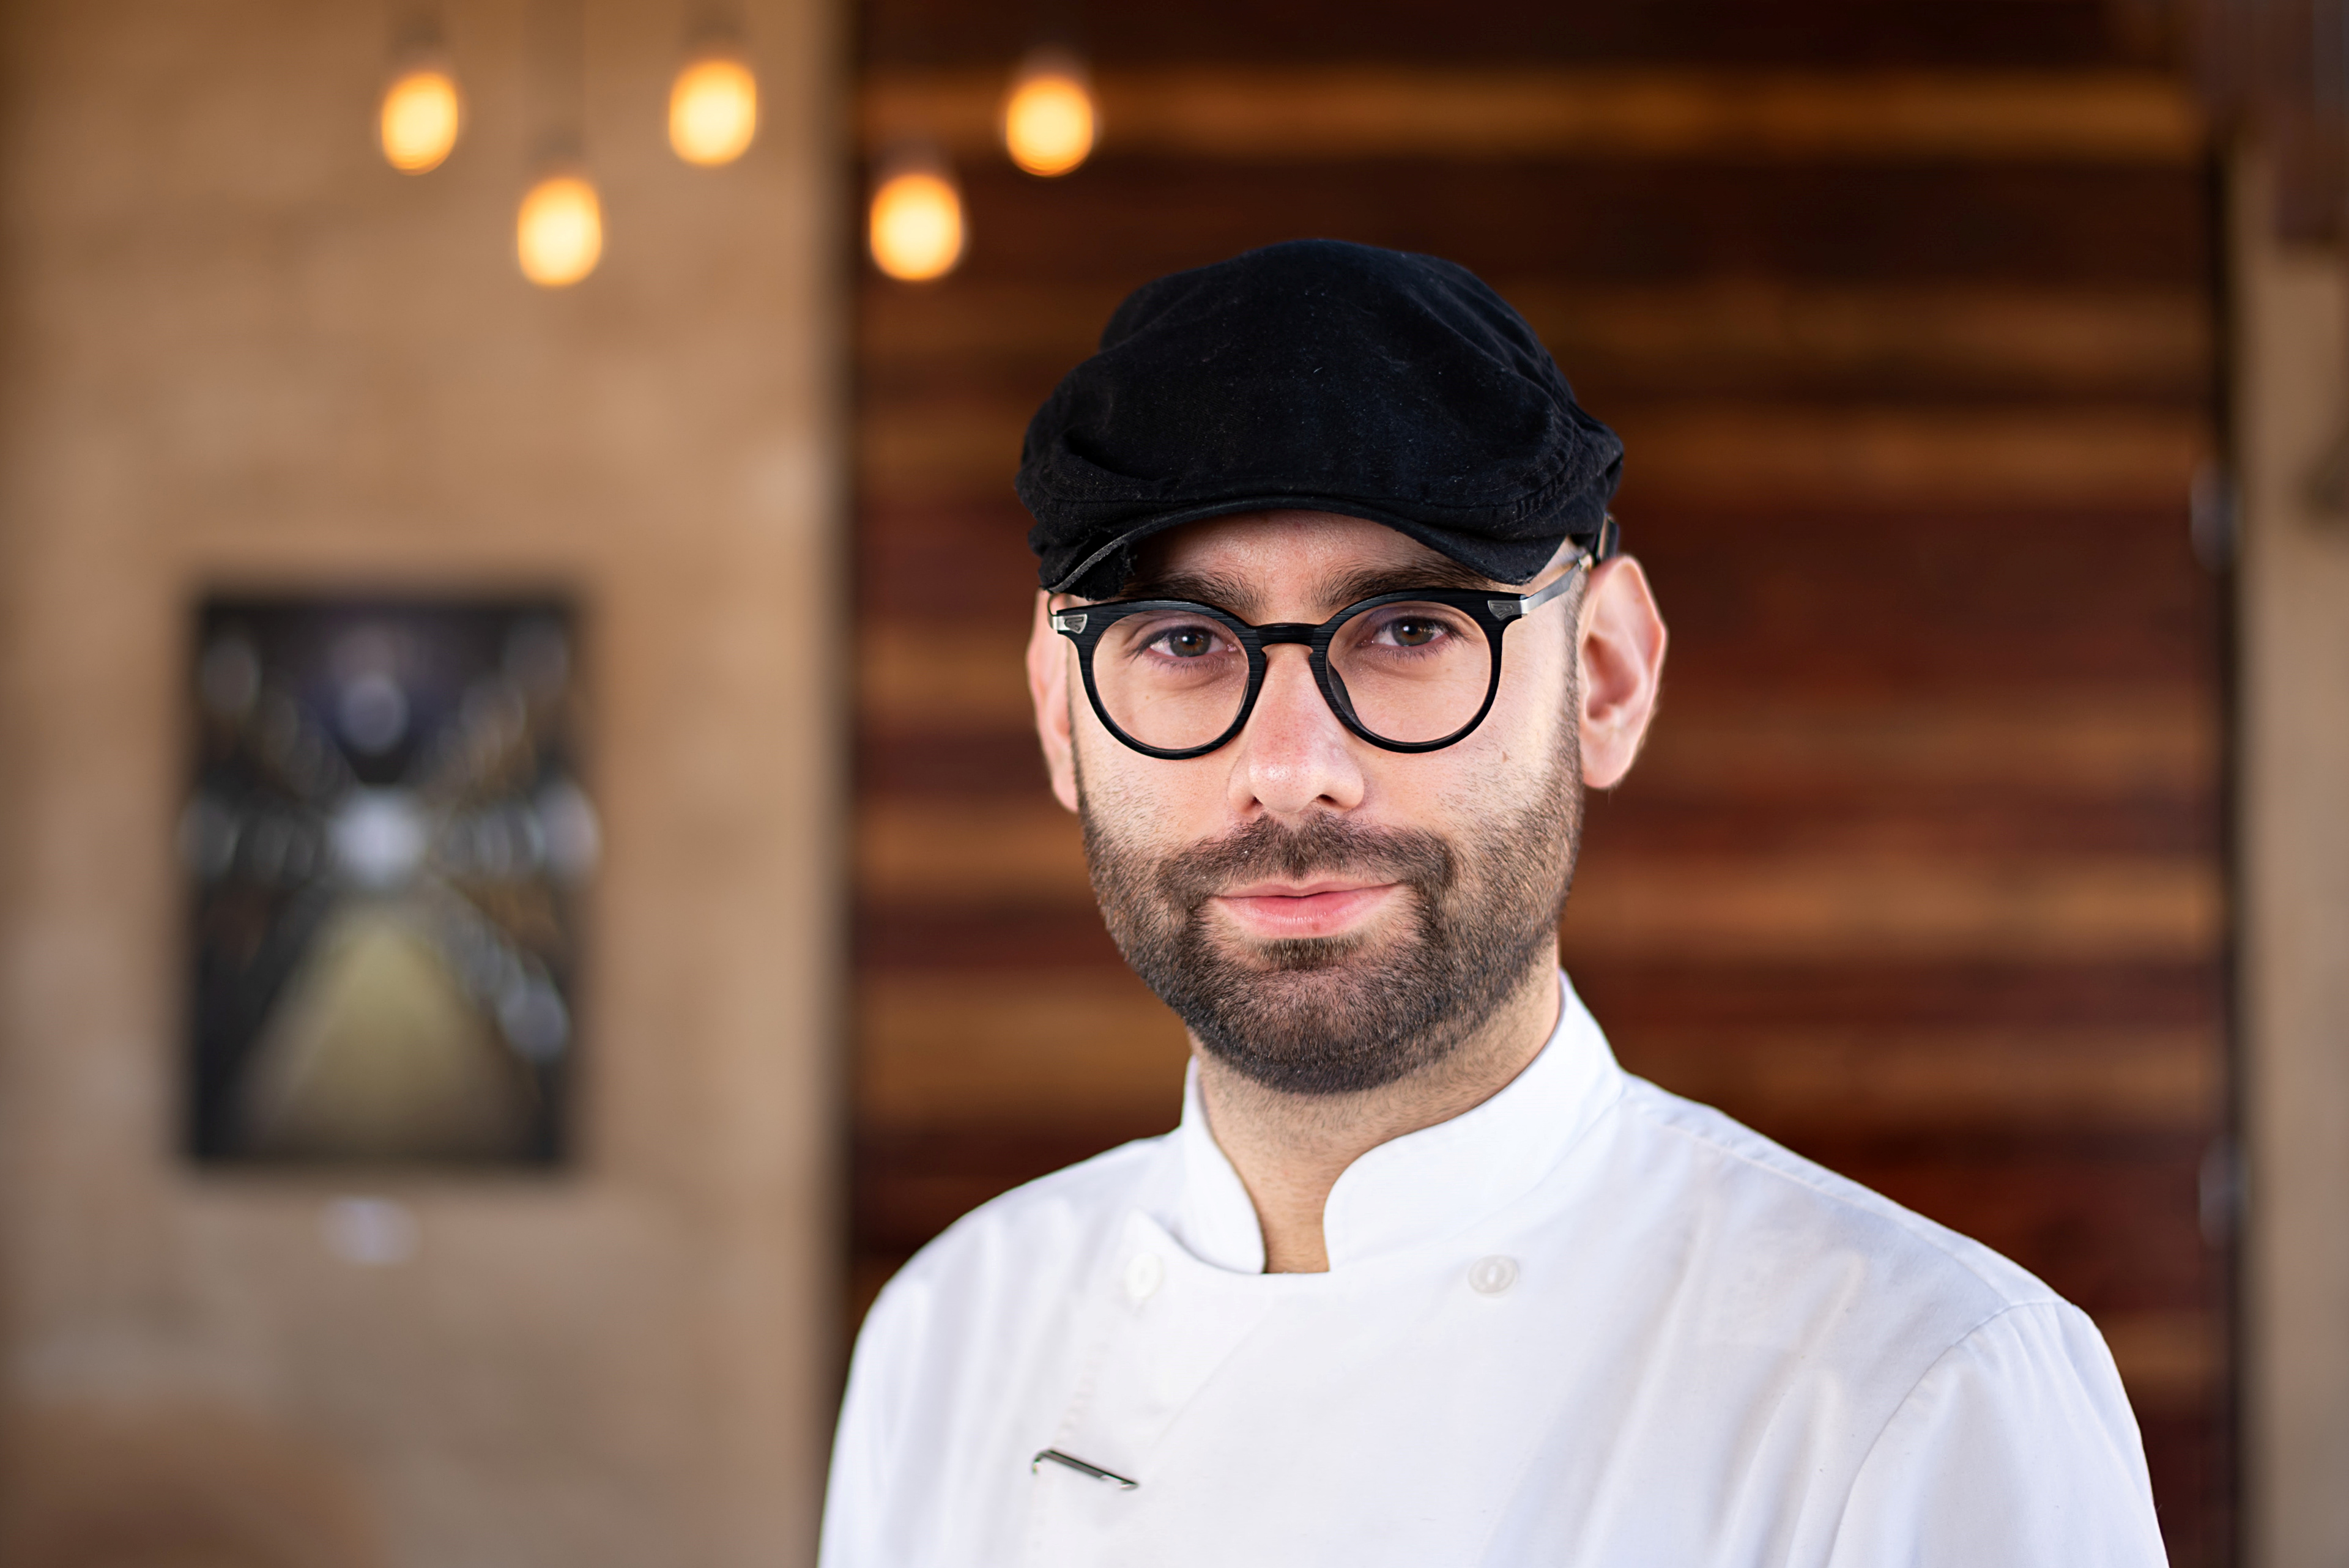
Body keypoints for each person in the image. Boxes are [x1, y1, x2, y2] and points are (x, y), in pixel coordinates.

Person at [819, 240, 2168, 1567]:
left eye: (1410, 629)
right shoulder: (949, 1340)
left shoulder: (1920, 1392)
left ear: (1607, 675)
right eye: (1181, 640)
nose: (1290, 769)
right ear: (1060, 714)